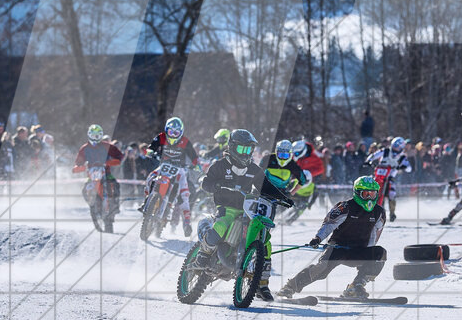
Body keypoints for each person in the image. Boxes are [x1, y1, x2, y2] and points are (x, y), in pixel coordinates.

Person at [194, 129, 290, 301]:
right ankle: (203, 254)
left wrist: (283, 198)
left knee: (265, 242)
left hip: (247, 209)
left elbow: (266, 187)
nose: (245, 153)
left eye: (249, 149)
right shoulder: (220, 165)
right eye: (241, 149)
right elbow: (206, 183)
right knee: (222, 225)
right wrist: (216, 186)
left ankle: (261, 283)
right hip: (226, 207)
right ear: (232, 147)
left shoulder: (254, 169)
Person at [278, 176, 387, 300]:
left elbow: (375, 233)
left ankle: (355, 287)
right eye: (366, 194)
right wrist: (318, 238)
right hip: (338, 248)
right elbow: (329, 224)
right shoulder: (345, 207)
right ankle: (290, 287)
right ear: (357, 193)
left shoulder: (379, 212)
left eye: (372, 194)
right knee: (321, 270)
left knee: (380, 254)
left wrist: (369, 257)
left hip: (358, 251)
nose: (369, 198)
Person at [143, 117, 199, 236]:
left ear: (181, 133)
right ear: (166, 130)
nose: (173, 135)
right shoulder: (161, 137)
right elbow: (151, 147)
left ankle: (186, 223)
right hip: (163, 165)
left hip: (179, 169)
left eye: (176, 133)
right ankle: (147, 199)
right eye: (171, 132)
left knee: (185, 193)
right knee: (150, 178)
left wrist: (196, 165)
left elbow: (193, 156)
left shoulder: (185, 142)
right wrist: (150, 152)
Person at [73, 124, 124, 232]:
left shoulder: (106, 146)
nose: (95, 137)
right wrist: (79, 167)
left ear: (101, 135)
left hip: (106, 172)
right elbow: (78, 162)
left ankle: (116, 206)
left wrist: (111, 162)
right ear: (89, 135)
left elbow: (119, 156)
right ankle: (92, 205)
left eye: (97, 135)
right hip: (91, 175)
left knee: (116, 185)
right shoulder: (85, 148)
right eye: (93, 135)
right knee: (84, 190)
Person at [364, 136, 412, 222]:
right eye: (394, 146)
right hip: (379, 175)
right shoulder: (385, 151)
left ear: (401, 147)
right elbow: (374, 155)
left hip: (390, 177)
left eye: (397, 147)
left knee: (392, 193)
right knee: (372, 191)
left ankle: (392, 213)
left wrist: (404, 167)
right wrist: (369, 161)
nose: (395, 148)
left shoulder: (402, 157)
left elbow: (409, 168)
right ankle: (369, 208)